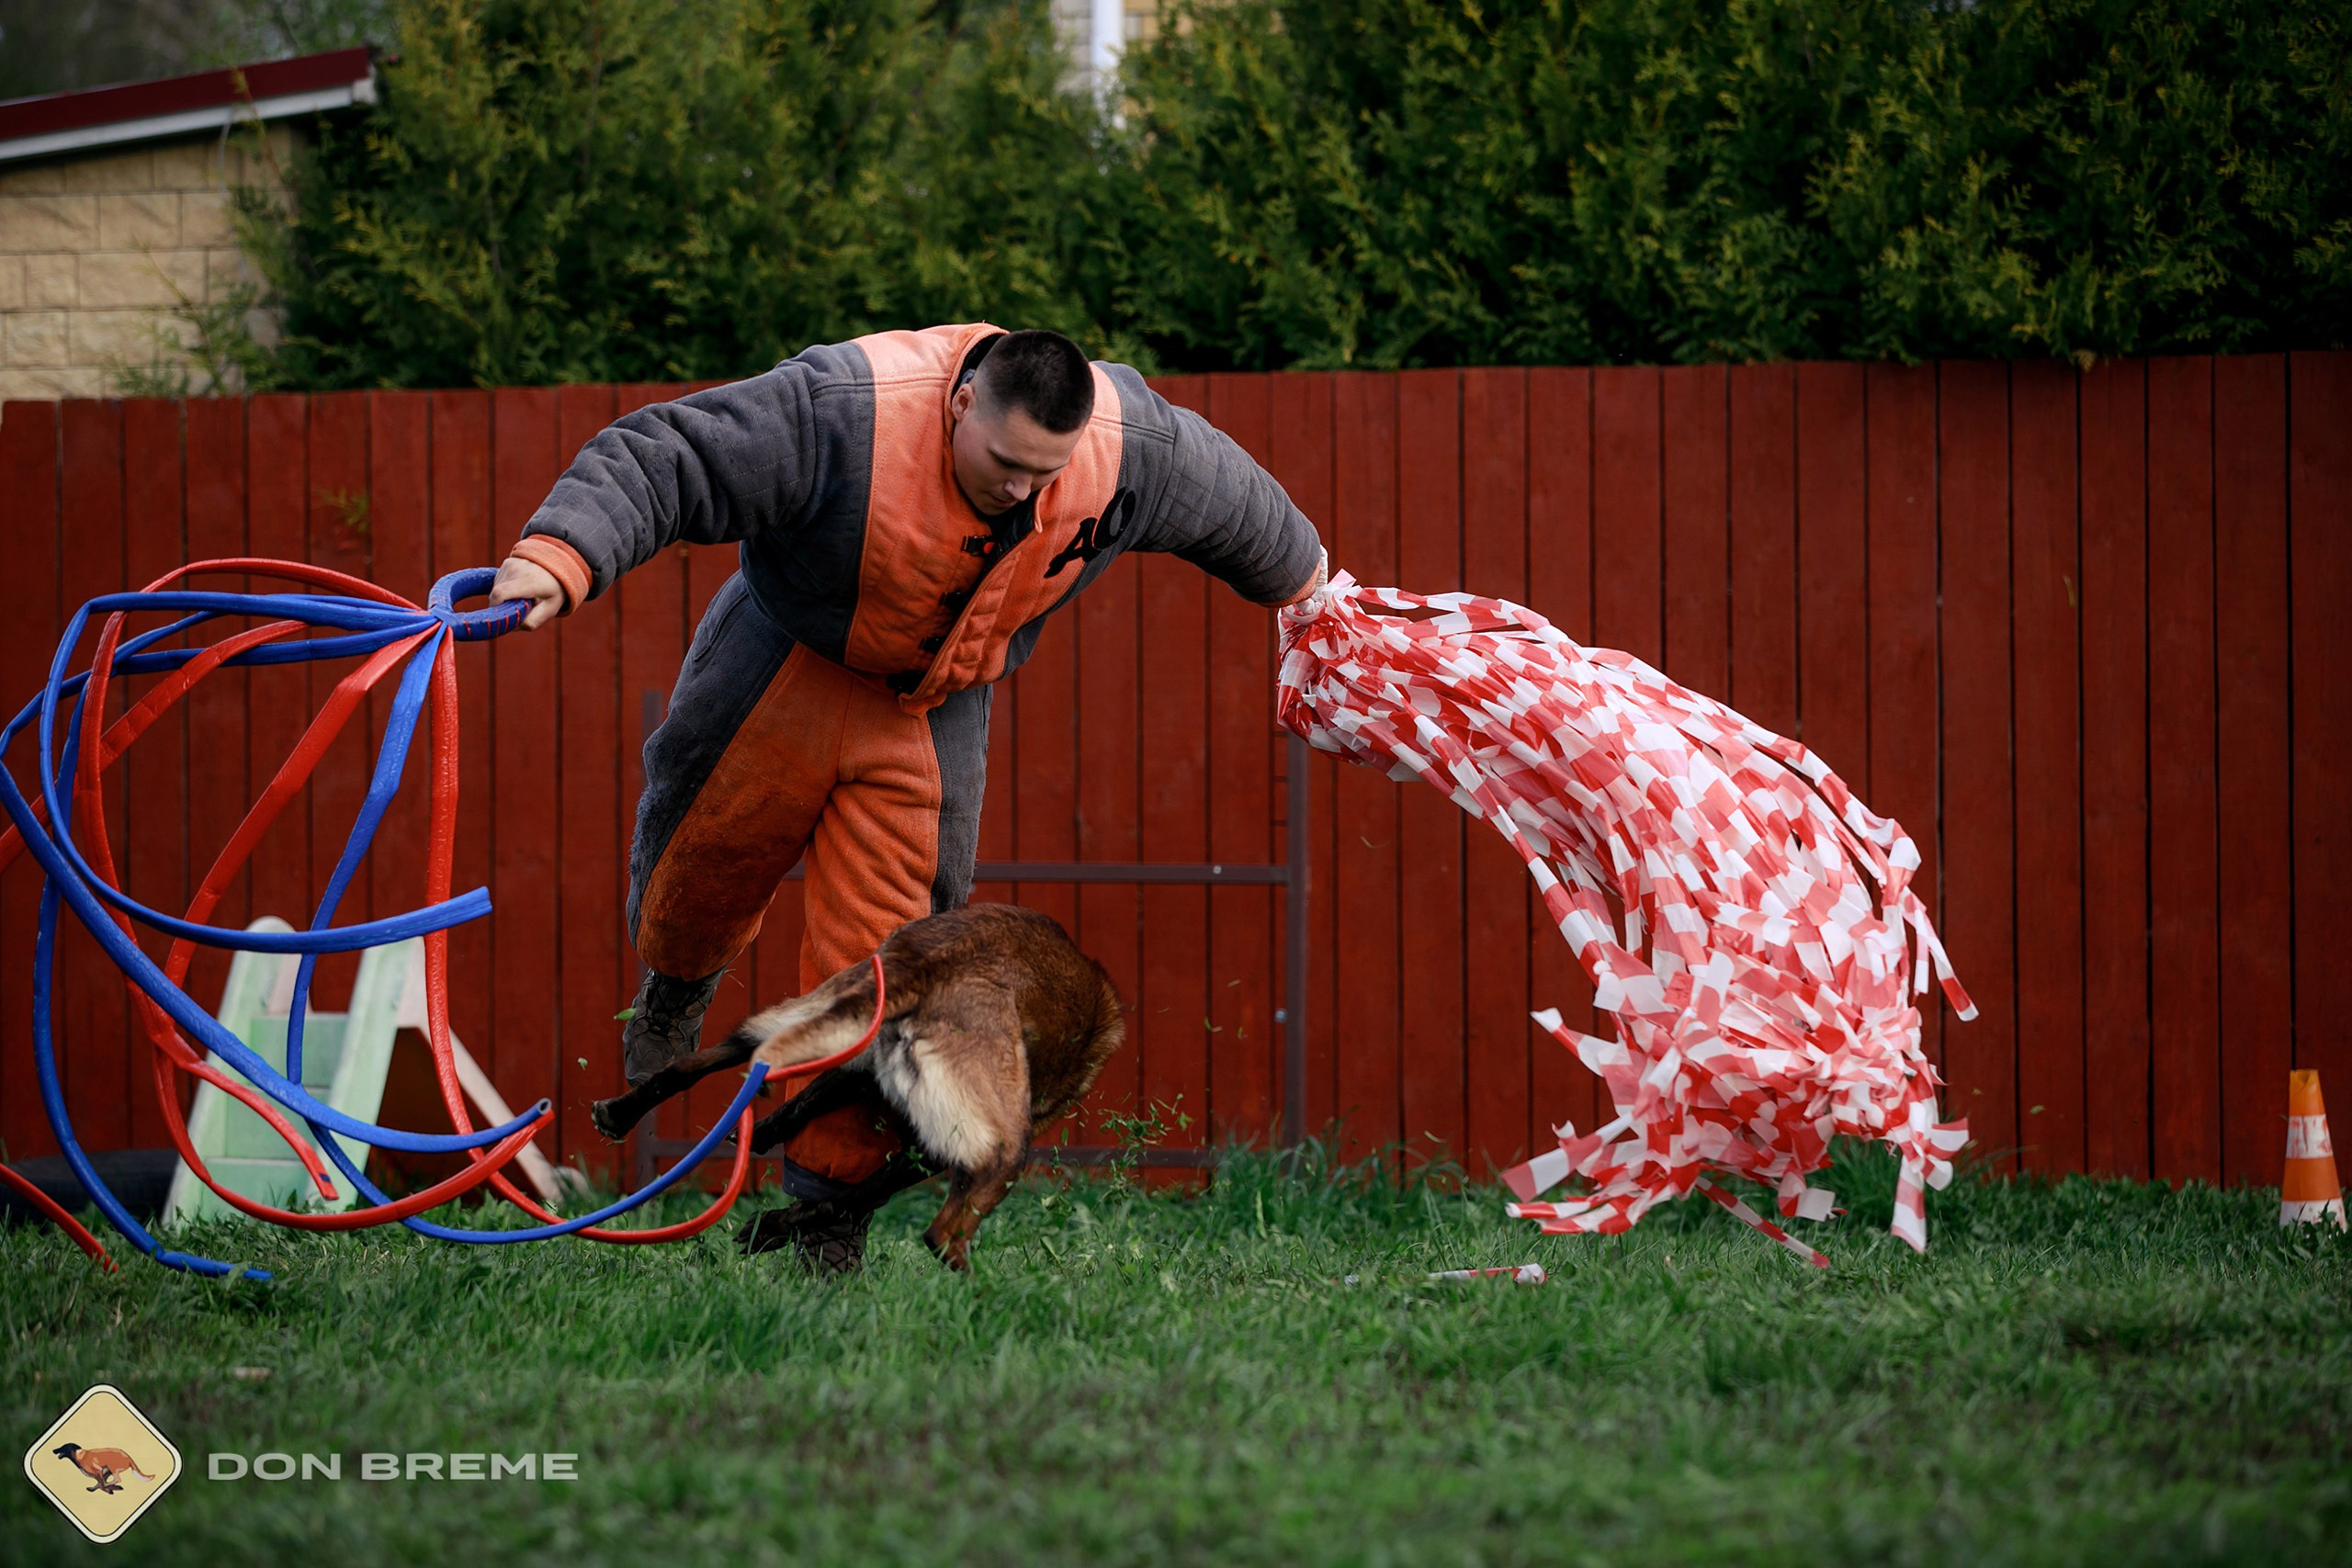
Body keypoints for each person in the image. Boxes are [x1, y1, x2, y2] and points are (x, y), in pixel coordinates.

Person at [488, 323, 1323, 1260]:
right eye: (1005, 464)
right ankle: (676, 989)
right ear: (961, 404)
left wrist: (1317, 598)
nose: (1022, 490)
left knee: (892, 984)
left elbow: (1240, 508)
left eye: (1044, 473)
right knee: (696, 875)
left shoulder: (1131, 449)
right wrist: (561, 553)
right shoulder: (844, 412)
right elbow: (669, 454)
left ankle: (825, 1221)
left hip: (929, 714)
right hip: (782, 666)